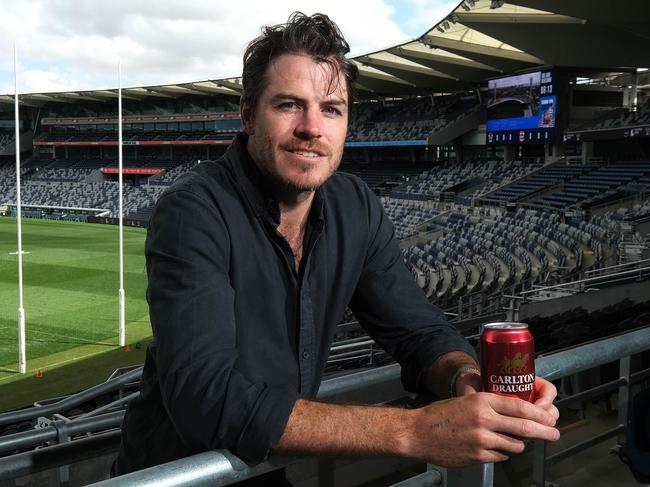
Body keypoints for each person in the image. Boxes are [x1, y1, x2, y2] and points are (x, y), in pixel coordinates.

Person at [115, 12, 559, 479]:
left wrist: (462, 377)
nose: (312, 126)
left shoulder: (355, 205)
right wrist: (412, 431)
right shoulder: (193, 211)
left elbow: (417, 330)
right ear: (247, 114)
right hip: (175, 475)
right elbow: (209, 401)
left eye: (331, 108)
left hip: (261, 471)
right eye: (289, 105)